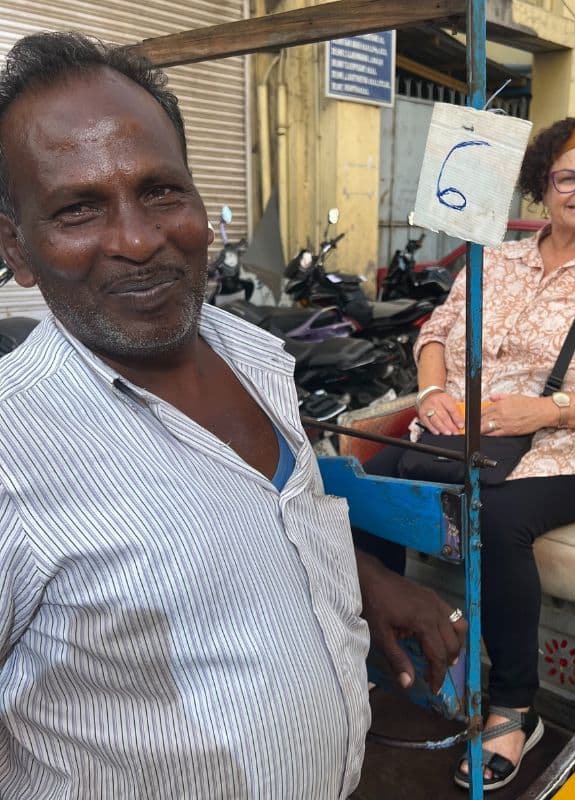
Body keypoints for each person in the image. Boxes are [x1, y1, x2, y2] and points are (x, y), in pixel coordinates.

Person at [0, 32, 464, 800]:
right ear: (16, 248)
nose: (140, 240)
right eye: (79, 208)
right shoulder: (15, 450)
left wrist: (363, 575)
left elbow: (272, 517)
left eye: (160, 191)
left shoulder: (254, 354)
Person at [358, 112, 575, 792]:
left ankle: (515, 707)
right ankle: (392, 648)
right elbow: (437, 329)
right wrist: (429, 395)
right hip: (470, 436)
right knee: (368, 488)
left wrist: (549, 408)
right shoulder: (495, 258)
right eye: (568, 175)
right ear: (544, 184)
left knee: (497, 518)